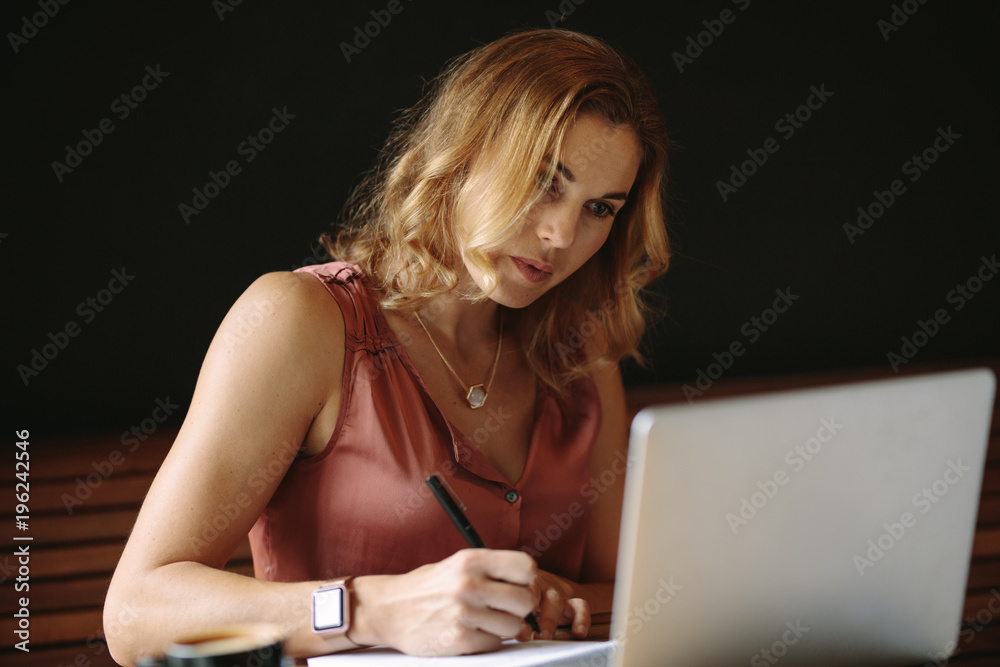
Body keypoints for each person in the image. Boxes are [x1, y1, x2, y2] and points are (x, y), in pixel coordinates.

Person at [104, 27, 670, 664]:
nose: (561, 233)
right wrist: (375, 609)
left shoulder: (582, 353)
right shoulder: (300, 322)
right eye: (544, 180)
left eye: (600, 208)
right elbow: (135, 612)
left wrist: (559, 597)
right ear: (463, 154)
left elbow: (626, 593)